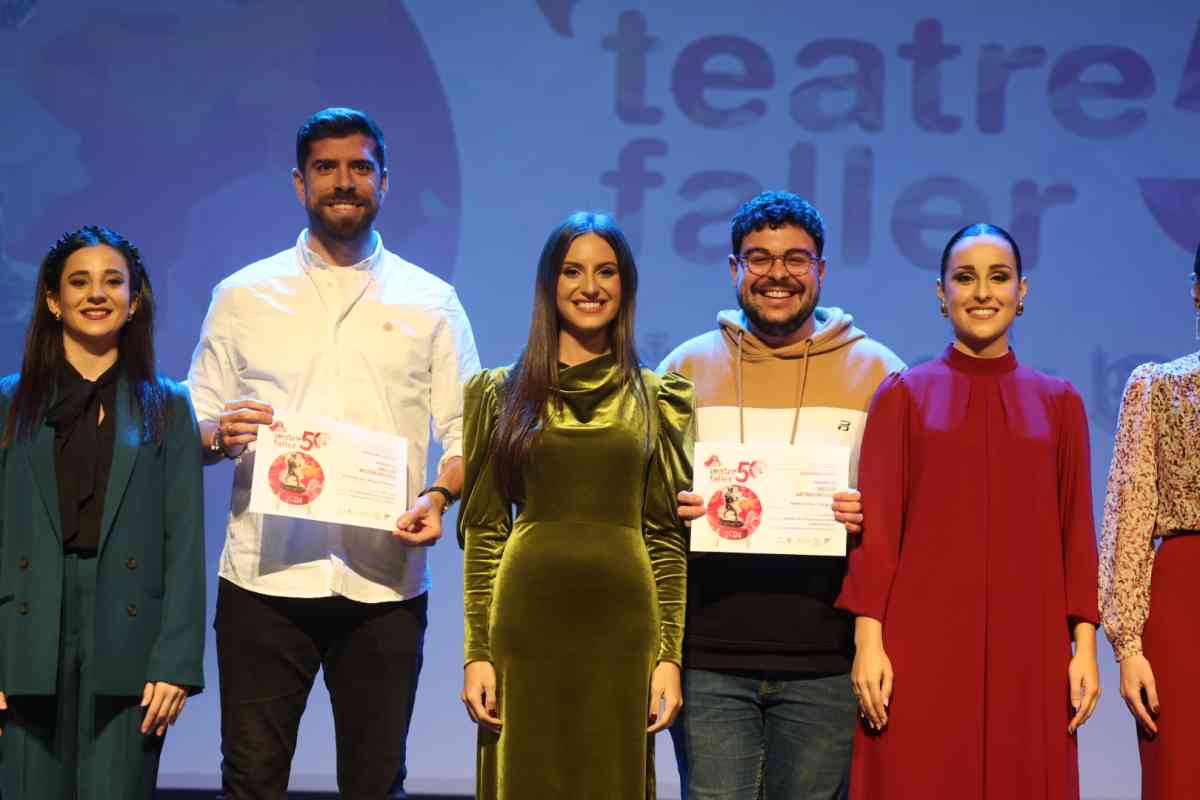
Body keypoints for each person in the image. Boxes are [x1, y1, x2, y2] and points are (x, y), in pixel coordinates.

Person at [186, 107, 480, 799]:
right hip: (264, 581)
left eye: (359, 168)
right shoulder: (242, 295)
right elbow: (193, 419)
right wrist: (218, 433)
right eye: (326, 168)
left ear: (385, 181)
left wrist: (439, 497)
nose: (343, 182)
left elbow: (470, 433)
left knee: (376, 784)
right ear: (300, 182)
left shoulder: (432, 300)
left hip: (385, 582)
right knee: (251, 782)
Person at [837, 223, 1101, 799]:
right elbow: (878, 535)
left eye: (998, 277)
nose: (982, 292)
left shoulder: (1059, 403)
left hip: (1029, 642)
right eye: (965, 278)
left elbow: (1077, 534)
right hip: (921, 639)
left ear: (1022, 292)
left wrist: (1084, 647)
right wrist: (868, 641)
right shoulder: (904, 395)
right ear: (942, 293)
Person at [661, 191, 904, 799]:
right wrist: (674, 505)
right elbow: (647, 511)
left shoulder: (880, 373)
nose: (778, 274)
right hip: (709, 657)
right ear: (733, 269)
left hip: (826, 658)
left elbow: (910, 516)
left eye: (796, 259)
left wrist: (872, 513)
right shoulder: (683, 369)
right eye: (758, 258)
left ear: (821, 269)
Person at [458, 211, 692, 800]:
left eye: (606, 272)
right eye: (572, 271)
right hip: (526, 622)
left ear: (625, 284)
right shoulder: (499, 393)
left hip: (624, 627)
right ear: (549, 283)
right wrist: (477, 654)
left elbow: (666, 537)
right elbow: (486, 530)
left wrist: (669, 656)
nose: (590, 287)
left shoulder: (658, 397)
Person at [0, 226, 205, 798]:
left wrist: (176, 663)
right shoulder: (9, 402)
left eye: (113, 282)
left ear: (134, 301)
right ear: (52, 300)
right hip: (24, 635)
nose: (96, 294)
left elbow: (185, 542)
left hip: (130, 639)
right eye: (79, 282)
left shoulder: (168, 405)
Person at [1099, 242, 1200, 799]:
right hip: (1186, 603)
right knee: (1181, 775)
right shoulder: (1162, 386)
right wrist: (1129, 646)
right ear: (1197, 292)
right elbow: (1129, 516)